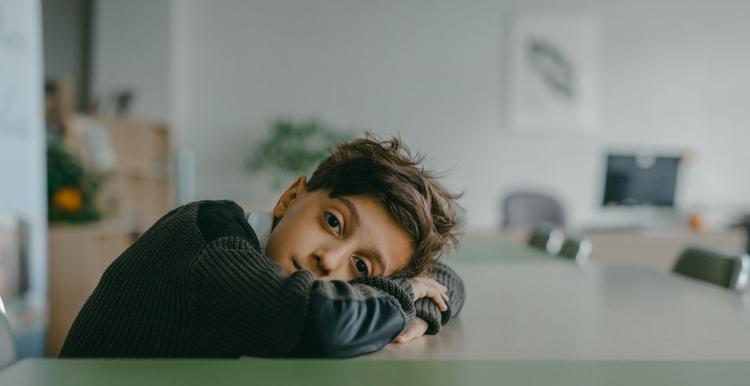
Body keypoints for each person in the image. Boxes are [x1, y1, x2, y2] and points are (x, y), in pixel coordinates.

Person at [60, 135, 465, 358]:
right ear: (290, 197)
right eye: (333, 222)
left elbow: (443, 281)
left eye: (361, 268)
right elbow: (319, 319)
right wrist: (403, 295)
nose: (329, 260)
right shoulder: (210, 241)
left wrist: (422, 309)